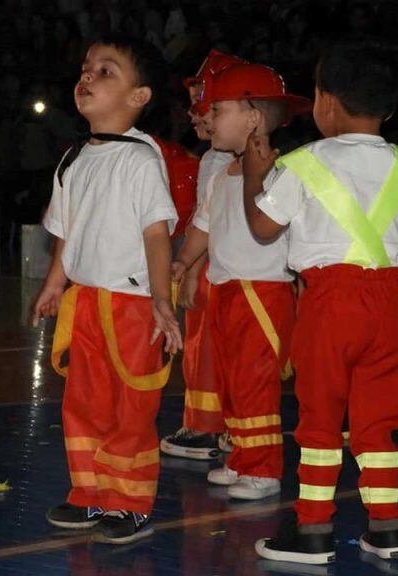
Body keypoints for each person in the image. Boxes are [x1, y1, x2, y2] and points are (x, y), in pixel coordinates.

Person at [242, 37, 398, 564]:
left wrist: (253, 175)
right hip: (390, 307)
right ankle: (386, 527)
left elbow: (263, 227)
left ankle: (312, 529)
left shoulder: (304, 162)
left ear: (325, 102)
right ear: (391, 106)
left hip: (329, 305)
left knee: (321, 417)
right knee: (378, 422)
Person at [31, 35, 183, 545]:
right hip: (87, 303)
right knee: (84, 402)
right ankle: (90, 496)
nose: (88, 76)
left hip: (134, 305)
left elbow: (156, 232)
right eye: (86, 67)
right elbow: (66, 231)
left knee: (131, 408)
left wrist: (162, 299)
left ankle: (131, 503)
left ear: (138, 97)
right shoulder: (74, 158)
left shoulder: (141, 159)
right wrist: (55, 283)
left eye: (106, 71)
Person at [173, 62, 310, 500]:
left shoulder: (279, 172)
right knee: (231, 379)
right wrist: (182, 263)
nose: (209, 119)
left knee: (255, 382)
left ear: (252, 119)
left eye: (219, 110)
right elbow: (203, 227)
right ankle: (240, 457)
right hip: (227, 291)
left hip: (263, 293)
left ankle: (264, 470)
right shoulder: (221, 176)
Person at [160, 50, 243, 461]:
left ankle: (207, 427)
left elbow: (209, 221)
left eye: (203, 106)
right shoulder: (227, 157)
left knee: (205, 347)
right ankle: (221, 424)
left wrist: (191, 271)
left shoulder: (219, 159)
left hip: (211, 268)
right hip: (219, 265)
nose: (194, 116)